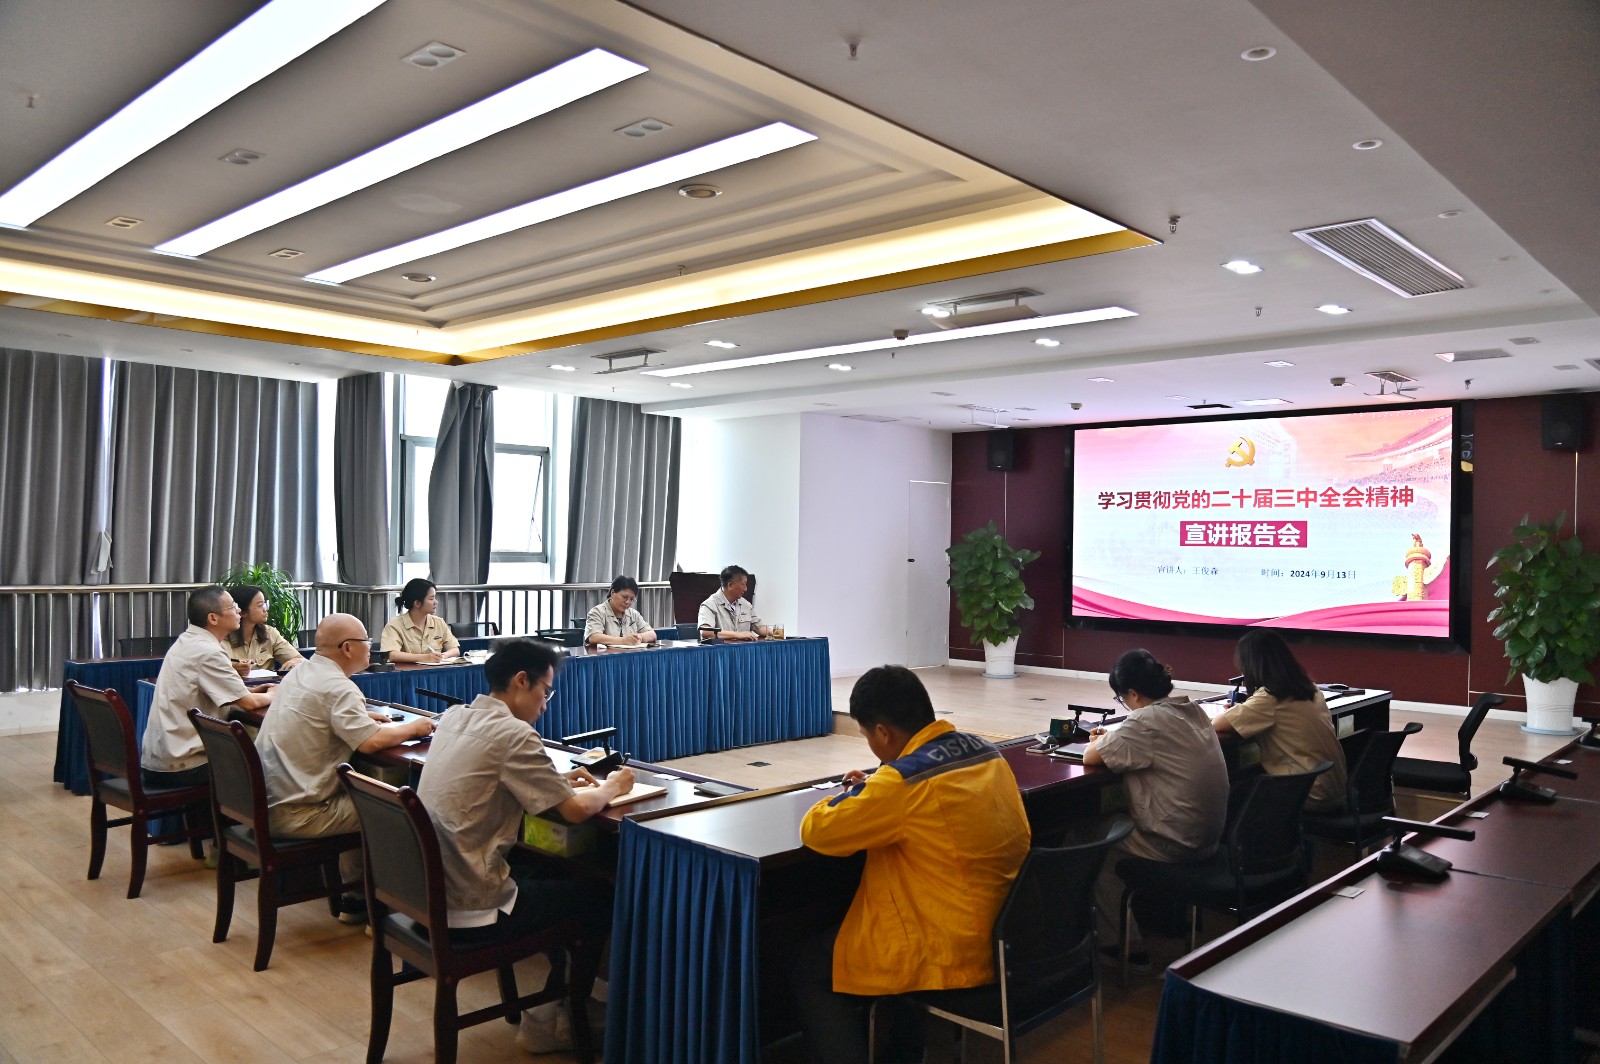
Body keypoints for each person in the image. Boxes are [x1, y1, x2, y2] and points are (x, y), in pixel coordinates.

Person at [794, 665, 1031, 1064]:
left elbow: (817, 830)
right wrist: (879, 784)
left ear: (882, 732)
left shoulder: (901, 784)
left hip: (952, 952)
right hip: (1010, 936)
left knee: (809, 964)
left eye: (867, 736)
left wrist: (855, 791)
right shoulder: (987, 752)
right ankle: (903, 1050)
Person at [417, 639, 635, 1053]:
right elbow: (575, 811)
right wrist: (612, 785)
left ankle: (555, 1006)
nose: (546, 705)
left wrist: (554, 782)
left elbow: (493, 777)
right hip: (472, 902)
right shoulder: (514, 733)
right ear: (521, 681)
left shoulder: (456, 717)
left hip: (429, 893)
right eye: (545, 692)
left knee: (551, 872)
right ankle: (556, 1018)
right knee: (600, 895)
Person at [255, 613, 434, 923]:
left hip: (267, 802)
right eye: (367, 641)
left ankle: (356, 900)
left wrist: (362, 717)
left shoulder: (301, 672)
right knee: (398, 810)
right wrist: (416, 727)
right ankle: (393, 912)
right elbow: (370, 742)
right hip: (300, 812)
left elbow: (327, 714)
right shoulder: (339, 688)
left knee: (362, 793)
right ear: (348, 648)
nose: (372, 648)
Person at [1083, 649, 1228, 970]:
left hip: (1174, 842)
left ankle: (1124, 948)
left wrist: (1101, 741)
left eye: (1122, 698)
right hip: (1209, 839)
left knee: (1090, 845)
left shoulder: (1144, 721)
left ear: (1133, 694)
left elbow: (1090, 757)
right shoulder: (1192, 710)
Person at [140, 585, 275, 788]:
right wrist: (275, 694)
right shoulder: (208, 651)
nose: (239, 610)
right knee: (266, 765)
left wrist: (250, 691)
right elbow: (249, 704)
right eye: (233, 606)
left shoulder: (187, 640)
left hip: (162, 758)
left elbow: (213, 691)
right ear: (213, 618)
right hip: (183, 764)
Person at [1215, 630, 1348, 813]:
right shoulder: (1310, 689)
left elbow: (1216, 725)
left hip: (1309, 795)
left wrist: (1235, 711)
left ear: (1252, 665)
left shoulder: (1271, 698)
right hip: (1334, 790)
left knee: (1234, 791)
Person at [225, 584, 304, 673]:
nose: (265, 609)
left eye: (265, 604)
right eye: (260, 605)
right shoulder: (223, 636)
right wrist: (233, 667)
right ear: (242, 612)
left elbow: (300, 660)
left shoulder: (269, 633)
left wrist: (295, 661)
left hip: (268, 681)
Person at [379, 578, 460, 663]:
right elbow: (393, 655)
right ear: (417, 603)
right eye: (431, 599)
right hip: (407, 670)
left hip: (435, 669)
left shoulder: (439, 622)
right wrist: (425, 658)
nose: (436, 602)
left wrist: (442, 656)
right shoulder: (394, 625)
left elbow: (455, 650)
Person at [697, 564, 769, 641]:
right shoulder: (709, 605)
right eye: (743, 584)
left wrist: (774, 632)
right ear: (730, 585)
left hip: (743, 647)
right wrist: (737, 635)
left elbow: (759, 627)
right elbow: (706, 632)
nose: (746, 589)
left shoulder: (746, 605)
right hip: (722, 648)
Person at [584, 575, 658, 647]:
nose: (628, 602)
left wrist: (639, 637)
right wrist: (624, 641)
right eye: (625, 597)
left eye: (631, 599)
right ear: (612, 593)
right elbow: (593, 637)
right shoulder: (597, 612)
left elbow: (652, 635)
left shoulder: (633, 614)